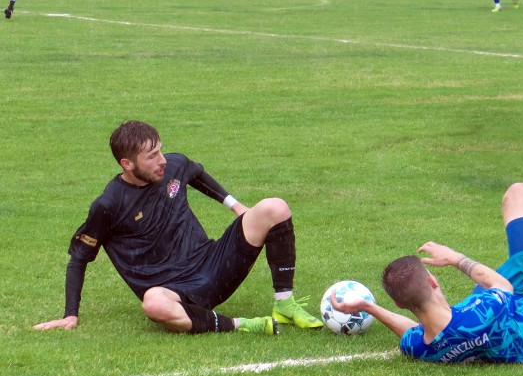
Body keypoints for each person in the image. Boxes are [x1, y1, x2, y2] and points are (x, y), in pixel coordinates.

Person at [34, 121, 323, 335]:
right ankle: (240, 325)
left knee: (275, 207)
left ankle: (284, 304)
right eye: (151, 157)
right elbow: (79, 258)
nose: (162, 161)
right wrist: (70, 315)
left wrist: (235, 206)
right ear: (127, 164)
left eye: (160, 150)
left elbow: (195, 173)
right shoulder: (108, 204)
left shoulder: (172, 166)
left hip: (214, 266)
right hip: (175, 293)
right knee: (153, 305)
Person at [332, 142, 523, 363]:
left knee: (479, 290)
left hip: (512, 330)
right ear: (433, 281)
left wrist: (369, 307)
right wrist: (454, 258)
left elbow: (410, 331)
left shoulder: (423, 348)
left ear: (401, 304)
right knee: (518, 195)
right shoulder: (482, 310)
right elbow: (502, 285)